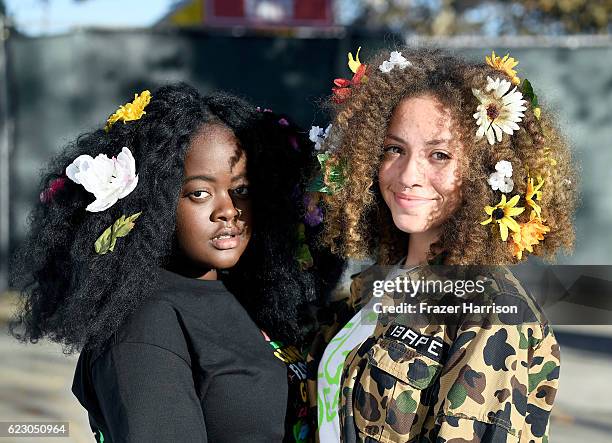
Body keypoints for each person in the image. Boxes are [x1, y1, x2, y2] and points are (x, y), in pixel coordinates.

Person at [11, 83, 316, 442]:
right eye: (199, 193)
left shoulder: (246, 293)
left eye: (241, 190)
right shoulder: (144, 322)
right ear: (154, 201)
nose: (228, 211)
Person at [306, 48, 576, 442]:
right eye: (394, 149)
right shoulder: (377, 283)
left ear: (484, 170)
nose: (408, 175)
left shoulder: (491, 313)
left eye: (439, 155)